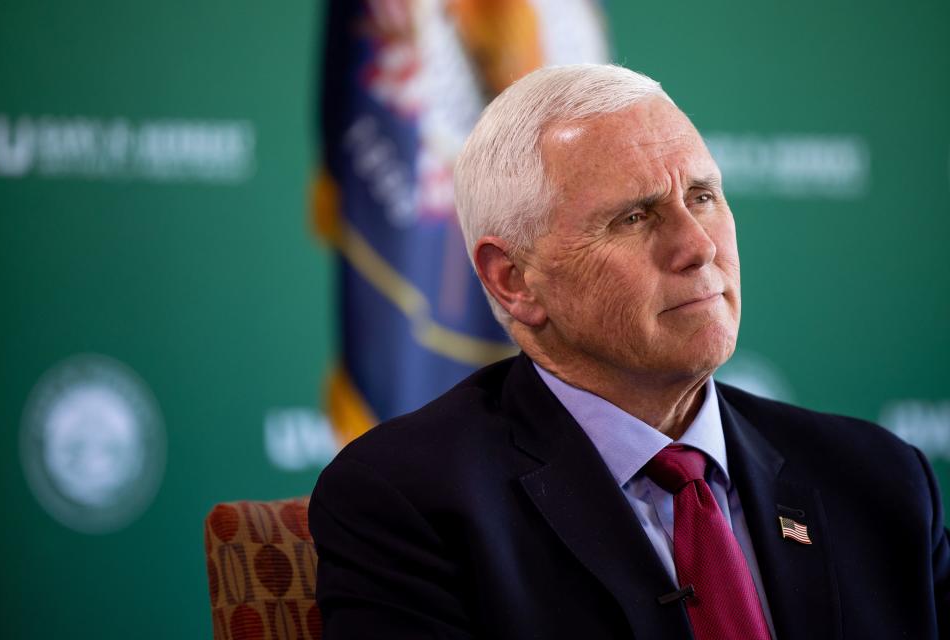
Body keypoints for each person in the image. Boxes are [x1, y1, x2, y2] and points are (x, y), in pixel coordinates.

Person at [308, 64, 950, 639]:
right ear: (515, 279)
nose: (697, 246)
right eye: (636, 217)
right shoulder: (409, 501)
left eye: (702, 196)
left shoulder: (882, 482)